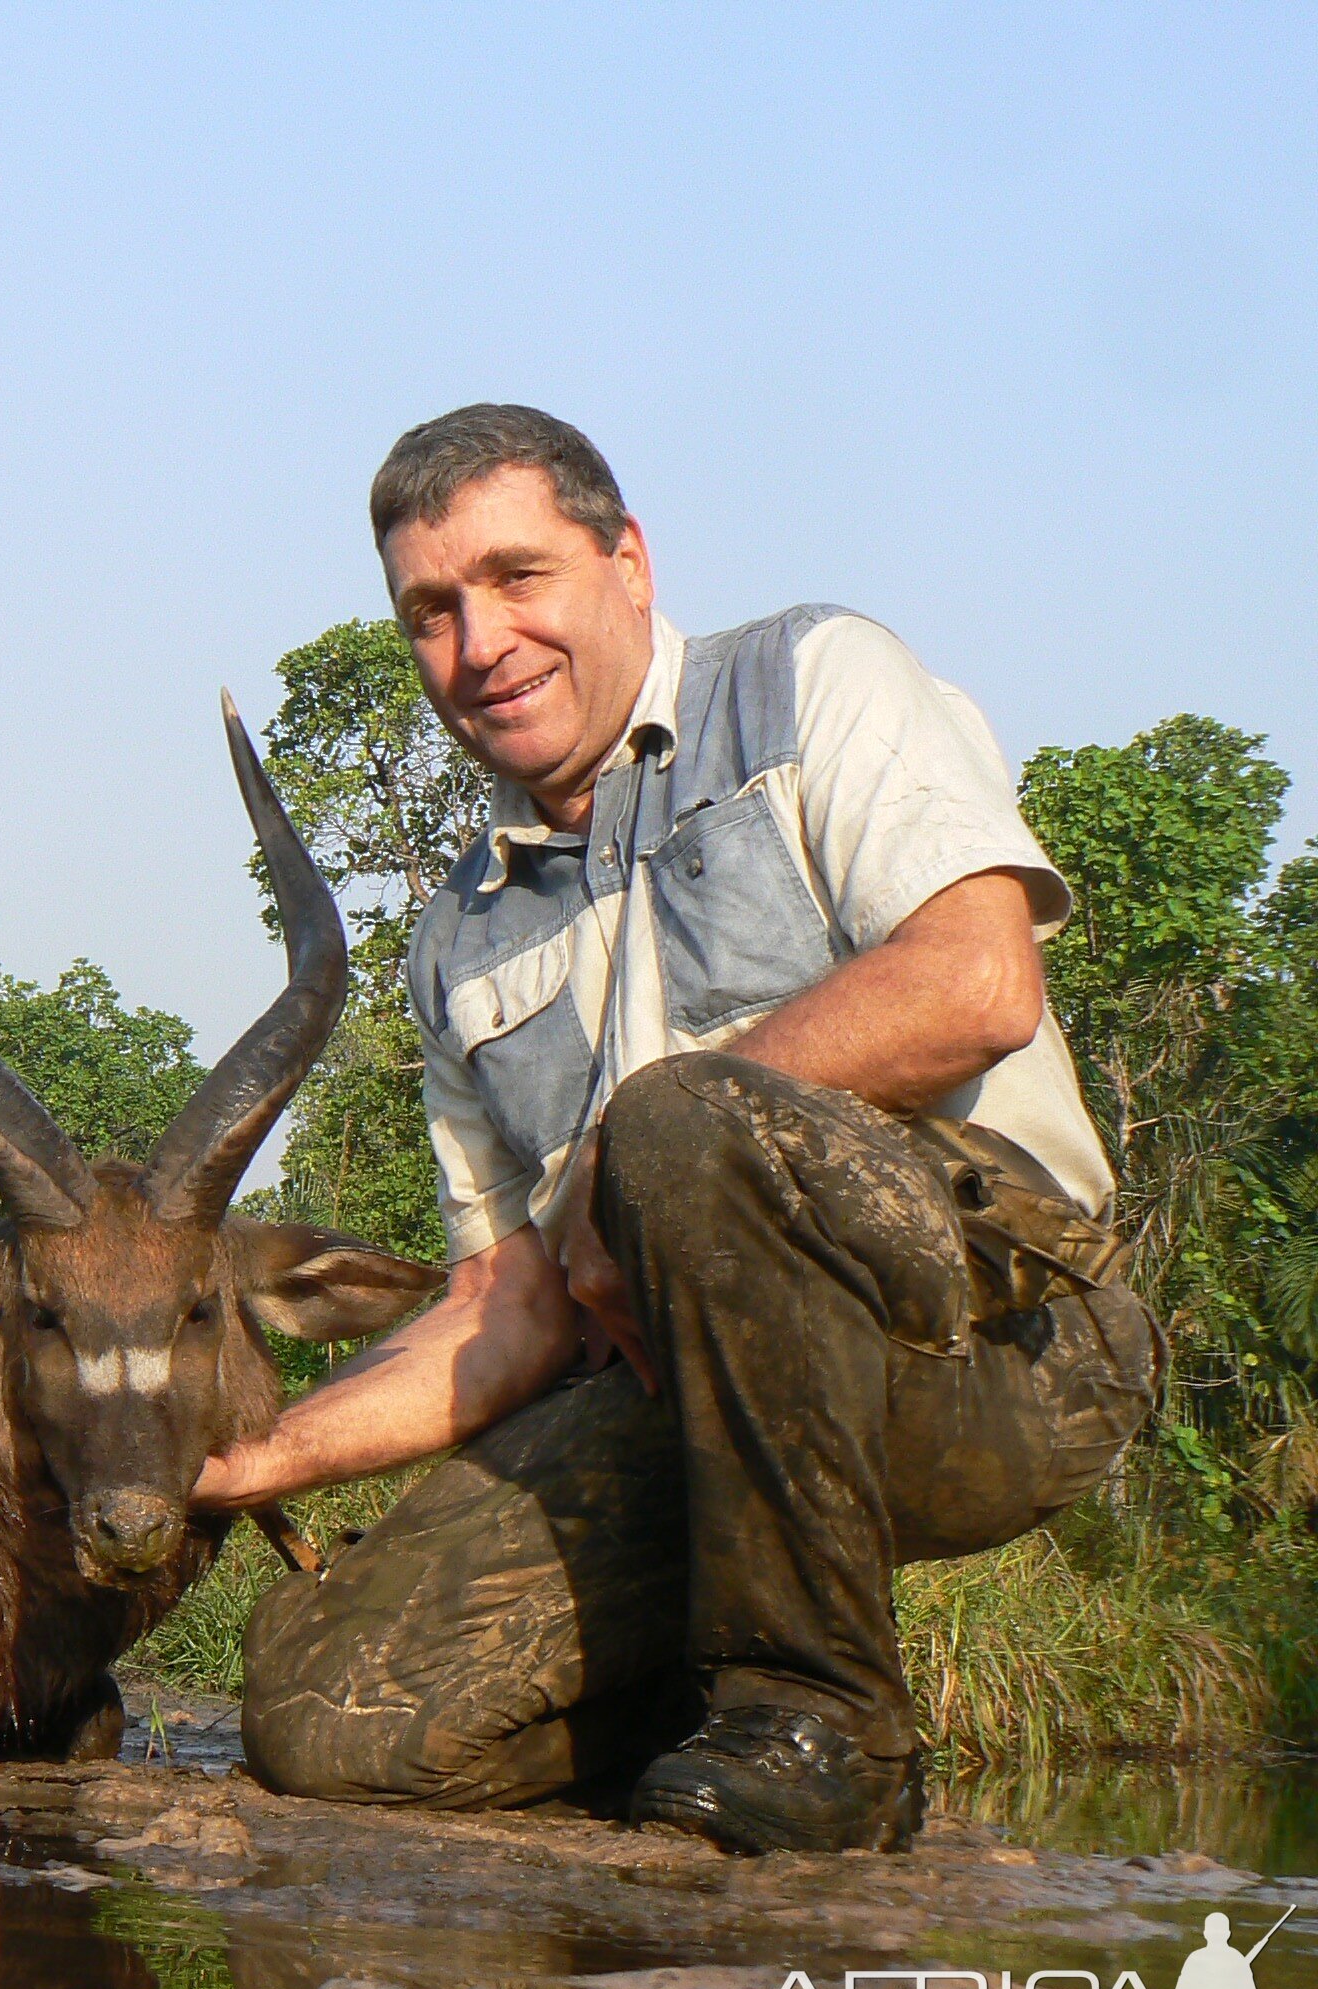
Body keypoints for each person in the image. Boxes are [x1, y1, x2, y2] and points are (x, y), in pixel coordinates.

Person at [202, 404, 1157, 1855]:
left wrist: (603, 1177)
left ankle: (825, 1726)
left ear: (629, 561)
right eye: (431, 612)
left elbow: (979, 979)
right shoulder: (456, 938)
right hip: (694, 1406)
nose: (482, 643)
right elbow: (504, 1310)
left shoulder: (809, 678)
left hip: (1006, 1344)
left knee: (672, 1129)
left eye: (521, 578)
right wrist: (241, 1460)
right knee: (322, 1708)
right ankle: (703, 1721)